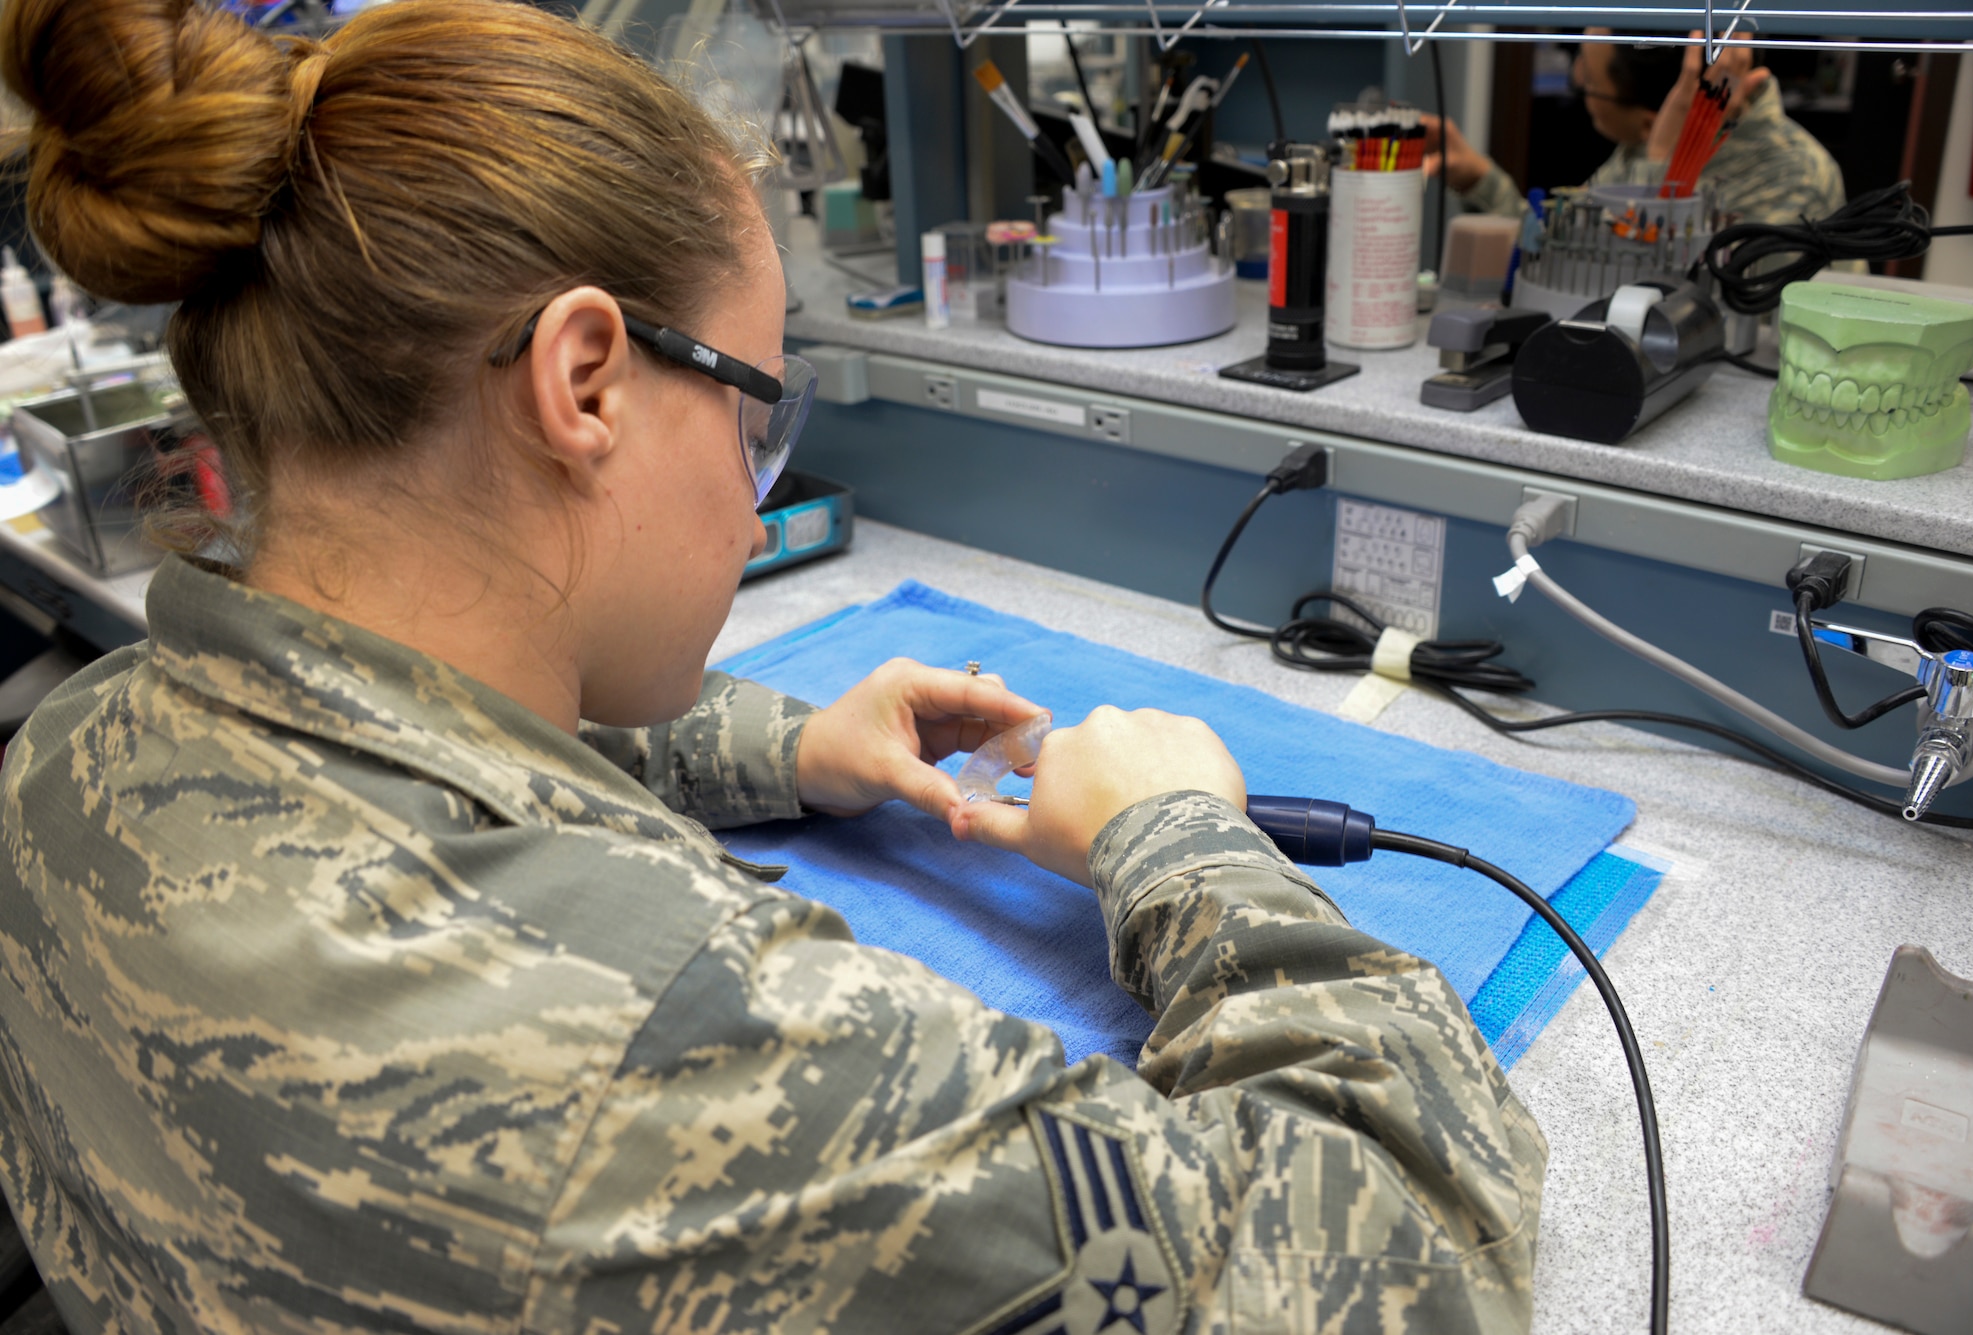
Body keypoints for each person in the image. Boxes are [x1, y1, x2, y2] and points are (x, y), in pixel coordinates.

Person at [0, 2, 1545, 1332]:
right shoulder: (684, 1049)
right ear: (585, 381)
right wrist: (1181, 840)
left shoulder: (65, 754)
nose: (754, 503)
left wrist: (786, 749)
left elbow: (426, 748)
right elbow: (1407, 1251)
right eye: (754, 420)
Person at [1427, 29, 1847, 226]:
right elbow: (1567, 248)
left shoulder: (1793, 179)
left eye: (1590, 82)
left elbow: (1644, 307)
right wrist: (1479, 180)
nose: (1574, 78)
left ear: (1652, 121)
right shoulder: (1637, 149)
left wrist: (1663, 163)